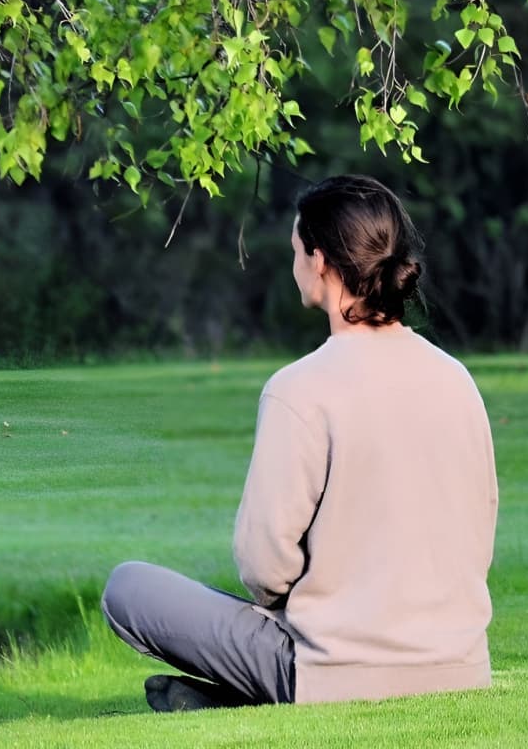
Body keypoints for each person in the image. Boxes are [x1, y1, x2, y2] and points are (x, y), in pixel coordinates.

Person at [101, 174, 498, 711]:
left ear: (320, 261)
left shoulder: (299, 388)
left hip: (334, 670)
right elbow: (477, 539)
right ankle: (226, 700)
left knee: (127, 588)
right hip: (459, 666)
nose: (293, 264)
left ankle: (243, 696)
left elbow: (264, 570)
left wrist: (311, 604)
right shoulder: (458, 380)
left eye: (295, 250)